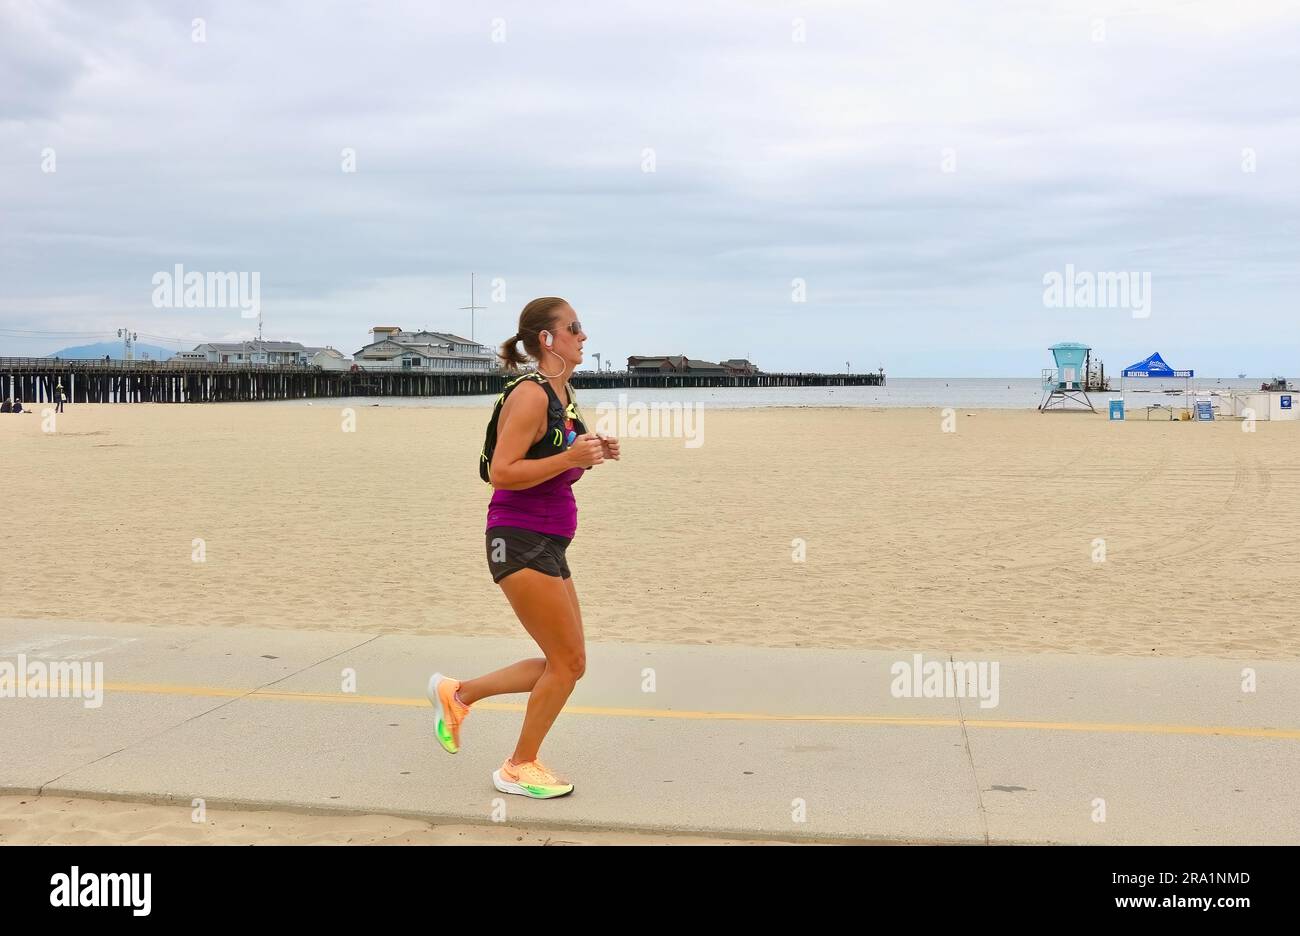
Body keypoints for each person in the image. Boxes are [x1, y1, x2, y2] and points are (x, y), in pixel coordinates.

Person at [427, 297, 619, 799]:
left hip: (549, 541)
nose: (584, 336)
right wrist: (571, 456)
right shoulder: (531, 395)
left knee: (569, 662)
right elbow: (502, 473)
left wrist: (591, 453)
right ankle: (518, 765)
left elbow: (557, 462)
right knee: (566, 662)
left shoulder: (564, 393)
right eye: (574, 328)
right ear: (547, 340)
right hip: (518, 539)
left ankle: (459, 694)